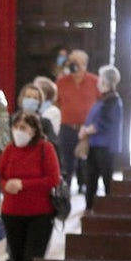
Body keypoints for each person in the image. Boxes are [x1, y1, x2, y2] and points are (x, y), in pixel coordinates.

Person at [0, 112, 62, 261]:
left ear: (33, 131)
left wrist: (24, 184)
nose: (18, 131)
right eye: (16, 127)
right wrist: (6, 185)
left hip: (39, 214)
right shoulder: (10, 149)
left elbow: (53, 179)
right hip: (12, 214)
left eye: (23, 128)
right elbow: (0, 176)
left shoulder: (45, 148)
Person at [80, 65, 123, 211]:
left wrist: (86, 131)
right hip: (95, 144)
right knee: (91, 178)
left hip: (104, 146)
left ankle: (109, 209)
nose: (98, 82)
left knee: (106, 179)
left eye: (100, 79)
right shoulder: (104, 99)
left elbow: (103, 123)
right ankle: (89, 207)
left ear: (106, 81)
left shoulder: (112, 100)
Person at [55, 50, 100, 191]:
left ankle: (83, 185)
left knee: (85, 160)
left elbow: (100, 104)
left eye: (77, 63)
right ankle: (66, 186)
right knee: (66, 160)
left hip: (87, 128)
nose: (74, 65)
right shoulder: (61, 82)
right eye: (71, 62)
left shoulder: (95, 81)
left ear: (85, 65)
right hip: (67, 126)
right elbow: (57, 102)